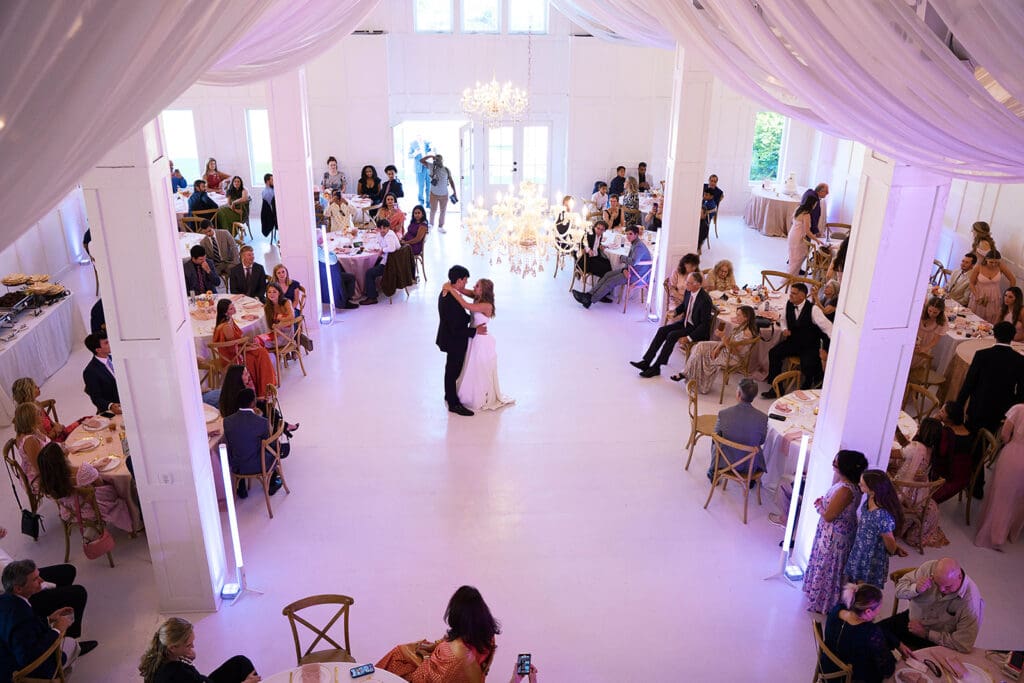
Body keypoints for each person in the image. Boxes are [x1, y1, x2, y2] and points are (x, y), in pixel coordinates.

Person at [377, 585, 500, 682]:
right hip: (457, 673)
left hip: (434, 675)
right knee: (405, 651)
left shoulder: (454, 652)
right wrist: (434, 646)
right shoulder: (488, 635)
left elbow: (433, 679)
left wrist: (425, 656)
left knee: (397, 656)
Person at [0, 560, 97, 680]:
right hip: (23, 673)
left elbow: (28, 631)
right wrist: (57, 630)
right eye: (35, 579)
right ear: (18, 589)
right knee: (72, 644)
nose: (41, 580)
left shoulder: (5, 600)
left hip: (7, 656)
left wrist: (48, 619)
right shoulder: (21, 617)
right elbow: (28, 658)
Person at [802, 450, 868, 614]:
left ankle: (826, 602)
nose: (833, 463)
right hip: (836, 532)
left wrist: (819, 507)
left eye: (836, 461)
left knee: (830, 567)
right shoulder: (848, 484)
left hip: (836, 537)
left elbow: (830, 515)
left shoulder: (846, 490)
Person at [879, 558, 983, 653]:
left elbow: (963, 644)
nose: (941, 590)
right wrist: (915, 588)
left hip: (937, 640)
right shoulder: (929, 568)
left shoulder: (971, 603)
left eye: (947, 587)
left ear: (959, 577)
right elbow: (898, 591)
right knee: (873, 634)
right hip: (911, 621)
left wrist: (926, 633)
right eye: (937, 584)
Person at [440, 278, 514, 412]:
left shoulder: (486, 305)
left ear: (483, 290)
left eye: (477, 286)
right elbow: (461, 290)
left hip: (480, 339)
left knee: (476, 368)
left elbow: (465, 305)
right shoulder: (477, 296)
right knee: (468, 366)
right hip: (472, 337)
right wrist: (450, 285)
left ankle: (477, 395)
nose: (474, 287)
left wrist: (450, 289)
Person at [0, 529, 88, 639]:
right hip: (16, 593)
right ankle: (67, 637)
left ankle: (52, 615)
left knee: (67, 571)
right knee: (78, 593)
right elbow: (12, 583)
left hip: (17, 575)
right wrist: (44, 583)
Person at [37, 442, 138, 533]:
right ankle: (136, 518)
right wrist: (93, 470)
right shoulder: (83, 470)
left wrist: (93, 467)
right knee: (116, 485)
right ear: (61, 457)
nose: (63, 444)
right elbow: (103, 488)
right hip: (94, 508)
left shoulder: (51, 481)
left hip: (71, 512)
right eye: (61, 446)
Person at [630, 271, 713, 378]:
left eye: (689, 283)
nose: (685, 285)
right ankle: (646, 361)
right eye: (687, 282)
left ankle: (656, 367)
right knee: (662, 331)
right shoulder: (689, 291)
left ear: (698, 284)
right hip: (686, 322)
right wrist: (675, 312)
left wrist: (689, 338)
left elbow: (704, 325)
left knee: (671, 335)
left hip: (695, 328)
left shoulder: (705, 300)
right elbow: (684, 306)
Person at [762, 283, 833, 396]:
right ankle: (776, 388)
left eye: (794, 294)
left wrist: (827, 349)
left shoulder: (813, 310)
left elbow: (829, 328)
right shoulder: (789, 304)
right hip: (793, 342)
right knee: (774, 353)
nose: (790, 295)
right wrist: (784, 329)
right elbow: (783, 319)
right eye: (791, 293)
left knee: (807, 364)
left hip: (809, 345)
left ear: (802, 296)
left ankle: (806, 391)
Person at [139, 616, 258, 683]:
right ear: (173, 647)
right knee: (245, 668)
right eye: (188, 645)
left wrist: (181, 654)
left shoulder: (156, 658)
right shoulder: (180, 674)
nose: (193, 647)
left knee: (240, 662)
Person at [956, 321, 1024, 435]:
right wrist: (1012, 410)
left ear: (994, 335)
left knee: (970, 435)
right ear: (1013, 337)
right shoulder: (1020, 360)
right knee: (989, 439)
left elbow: (969, 383)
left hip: (978, 405)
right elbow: (1021, 390)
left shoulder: (981, 355)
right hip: (1002, 409)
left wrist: (959, 406)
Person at [820, 584, 898, 683]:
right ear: (868, 611)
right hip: (849, 678)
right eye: (879, 608)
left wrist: (897, 643)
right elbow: (887, 670)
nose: (879, 612)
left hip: (827, 666)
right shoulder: (870, 633)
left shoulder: (837, 609)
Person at [845, 470, 907, 589]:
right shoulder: (870, 497)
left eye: (862, 484)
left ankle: (862, 605)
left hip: (871, 556)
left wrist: (895, 549)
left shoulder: (882, 515)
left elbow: (890, 542)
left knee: (865, 587)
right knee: (857, 581)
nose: (859, 484)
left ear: (873, 490)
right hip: (861, 548)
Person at [974, 401, 1024, 549]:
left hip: (1013, 456)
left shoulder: (1018, 409)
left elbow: (1004, 434)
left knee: (1001, 498)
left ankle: (993, 536)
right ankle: (1009, 532)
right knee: (1017, 499)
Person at [892, 418, 949, 548]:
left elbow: (893, 454)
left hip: (904, 493)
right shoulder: (932, 450)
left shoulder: (915, 448)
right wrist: (897, 431)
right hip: (920, 495)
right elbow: (907, 449)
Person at [437, 265, 483, 417]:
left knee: (452, 369)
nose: (466, 283)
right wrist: (475, 330)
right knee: (452, 370)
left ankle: (449, 393)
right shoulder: (451, 300)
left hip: (450, 336)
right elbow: (456, 328)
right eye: (465, 280)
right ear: (459, 280)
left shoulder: (448, 291)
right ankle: (453, 403)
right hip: (453, 340)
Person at [222, 388, 283, 499]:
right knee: (273, 448)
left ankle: (241, 487)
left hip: (237, 466)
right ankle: (273, 482)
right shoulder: (262, 422)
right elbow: (269, 445)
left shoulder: (227, 421)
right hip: (259, 466)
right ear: (253, 402)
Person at [682, 306, 758, 391]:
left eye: (739, 315)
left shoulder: (747, 333)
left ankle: (700, 384)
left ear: (746, 318)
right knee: (700, 346)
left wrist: (722, 337)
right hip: (726, 348)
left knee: (703, 354)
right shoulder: (741, 327)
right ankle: (687, 374)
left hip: (732, 357)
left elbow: (734, 351)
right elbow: (730, 340)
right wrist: (717, 348)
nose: (736, 317)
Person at [212, 299, 276, 399]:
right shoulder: (226, 327)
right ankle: (264, 390)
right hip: (231, 358)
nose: (234, 309)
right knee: (261, 353)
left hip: (237, 351)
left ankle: (264, 388)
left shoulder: (230, 320)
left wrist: (248, 346)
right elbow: (232, 348)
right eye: (231, 308)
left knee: (260, 350)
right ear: (225, 312)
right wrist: (248, 348)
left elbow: (236, 343)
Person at [708, 379, 767, 478]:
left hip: (724, 463)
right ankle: (750, 480)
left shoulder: (724, 414)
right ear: (754, 396)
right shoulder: (763, 418)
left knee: (716, 439)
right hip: (749, 467)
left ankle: (713, 470)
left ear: (738, 394)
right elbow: (762, 441)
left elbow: (715, 437)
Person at [931, 401, 973, 503]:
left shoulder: (947, 433)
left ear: (949, 419)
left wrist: (934, 423)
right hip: (967, 472)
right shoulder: (966, 430)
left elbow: (939, 455)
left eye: (942, 411)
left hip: (951, 476)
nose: (939, 412)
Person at [12, 378, 75, 443]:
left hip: (58, 435)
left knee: (84, 421)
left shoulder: (37, 403)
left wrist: (57, 426)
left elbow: (51, 423)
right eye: (35, 387)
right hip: (53, 445)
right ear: (28, 392)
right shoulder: (30, 414)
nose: (38, 387)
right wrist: (56, 430)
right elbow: (44, 440)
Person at [360, 219, 402, 305]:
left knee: (369, 272)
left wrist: (382, 249)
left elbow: (391, 248)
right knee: (372, 264)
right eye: (380, 228)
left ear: (388, 228)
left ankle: (372, 297)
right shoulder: (381, 234)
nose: (382, 230)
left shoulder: (389, 235)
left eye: (384, 228)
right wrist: (380, 249)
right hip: (387, 258)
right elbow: (378, 242)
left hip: (390, 264)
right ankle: (370, 289)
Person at [968, 249, 1016, 323]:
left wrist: (1009, 294)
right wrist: (976, 295)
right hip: (979, 296)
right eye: (991, 262)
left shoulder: (1001, 266)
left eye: (996, 262)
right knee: (975, 318)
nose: (994, 264)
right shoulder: (978, 267)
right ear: (986, 259)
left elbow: (1012, 279)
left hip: (994, 297)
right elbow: (971, 283)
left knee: (990, 319)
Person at [82, 332, 121, 415]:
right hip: (116, 408)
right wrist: (110, 405)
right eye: (106, 343)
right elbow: (96, 398)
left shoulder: (116, 357)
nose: (110, 343)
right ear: (98, 350)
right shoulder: (90, 372)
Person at [317, 234, 359, 311]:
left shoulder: (317, 249)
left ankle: (346, 298)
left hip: (325, 274)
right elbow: (332, 260)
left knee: (345, 274)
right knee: (350, 277)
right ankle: (345, 301)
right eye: (321, 237)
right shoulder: (318, 250)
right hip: (330, 275)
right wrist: (333, 253)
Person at [13, 403, 49, 492]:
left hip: (47, 465)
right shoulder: (30, 441)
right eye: (38, 414)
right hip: (39, 477)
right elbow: (40, 468)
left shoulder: (34, 431)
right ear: (30, 419)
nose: (42, 415)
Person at [421, 154, 457, 232]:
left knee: (443, 211)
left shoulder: (446, 169)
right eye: (436, 159)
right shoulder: (431, 166)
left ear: (442, 160)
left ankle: (440, 226)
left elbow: (451, 181)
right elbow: (421, 161)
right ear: (434, 160)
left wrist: (455, 192)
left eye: (439, 159)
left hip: (444, 194)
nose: (438, 161)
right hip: (434, 194)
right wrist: (430, 156)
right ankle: (431, 225)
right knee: (433, 210)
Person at [787, 195, 822, 276]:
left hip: (792, 233)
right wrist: (817, 240)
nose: (815, 206)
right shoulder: (806, 215)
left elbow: (792, 221)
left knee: (793, 257)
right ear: (812, 204)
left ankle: (792, 276)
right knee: (799, 257)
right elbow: (807, 231)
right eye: (815, 204)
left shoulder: (798, 209)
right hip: (798, 237)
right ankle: (791, 277)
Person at [665, 254, 701, 323]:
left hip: (692, 300)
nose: (693, 268)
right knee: (677, 312)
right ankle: (675, 330)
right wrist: (682, 298)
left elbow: (700, 289)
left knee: (700, 313)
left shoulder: (696, 274)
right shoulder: (676, 271)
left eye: (695, 266)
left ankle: (690, 331)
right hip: (676, 300)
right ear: (685, 264)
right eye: (691, 266)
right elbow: (672, 289)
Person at [408, 136, 434, 206]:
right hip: (419, 168)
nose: (420, 136)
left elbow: (432, 151)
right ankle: (421, 202)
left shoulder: (427, 142)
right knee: (420, 186)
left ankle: (428, 202)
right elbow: (409, 155)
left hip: (428, 166)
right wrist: (415, 153)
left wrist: (431, 149)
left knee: (429, 186)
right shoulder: (413, 144)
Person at [260, 173, 277, 240]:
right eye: (272, 180)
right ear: (267, 181)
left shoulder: (271, 190)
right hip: (272, 216)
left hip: (272, 214)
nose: (274, 181)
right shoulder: (268, 192)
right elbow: (274, 206)